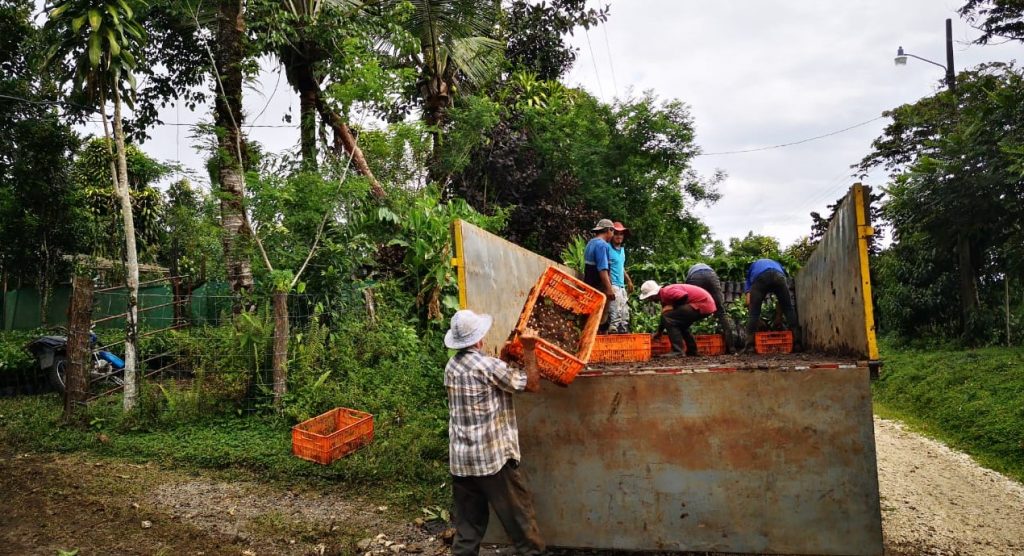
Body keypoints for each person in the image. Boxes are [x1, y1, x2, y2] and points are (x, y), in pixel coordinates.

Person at [443, 310, 545, 556]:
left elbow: (489, 382)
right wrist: (529, 349)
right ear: (479, 339)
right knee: (521, 524)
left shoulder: (451, 367)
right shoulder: (488, 366)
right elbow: (532, 384)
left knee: (468, 530)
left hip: (462, 462)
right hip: (492, 462)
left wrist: (504, 359)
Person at [638, 281, 716, 356]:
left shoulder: (667, 292)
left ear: (653, 295)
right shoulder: (664, 297)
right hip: (705, 304)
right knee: (679, 323)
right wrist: (659, 332)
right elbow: (664, 316)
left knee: (669, 318)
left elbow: (684, 296)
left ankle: (678, 351)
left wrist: (673, 306)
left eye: (649, 298)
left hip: (702, 304)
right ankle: (692, 350)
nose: (649, 300)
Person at [742, 258, 800, 352]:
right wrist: (779, 316)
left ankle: (749, 346)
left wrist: (757, 318)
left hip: (760, 278)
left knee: (753, 313)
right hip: (779, 276)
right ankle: (797, 343)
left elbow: (749, 301)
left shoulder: (752, 268)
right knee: (788, 308)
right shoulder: (777, 264)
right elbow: (781, 300)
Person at [685, 263, 735, 353]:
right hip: (712, 276)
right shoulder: (709, 269)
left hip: (695, 278)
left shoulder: (690, 273)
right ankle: (731, 349)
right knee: (721, 312)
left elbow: (689, 292)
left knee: (690, 310)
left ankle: (691, 348)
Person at [583, 219, 616, 333]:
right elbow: (602, 270)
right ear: (608, 230)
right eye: (613, 231)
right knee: (599, 319)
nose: (613, 234)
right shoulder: (602, 245)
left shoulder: (590, 243)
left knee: (589, 317)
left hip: (589, 285)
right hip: (598, 287)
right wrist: (609, 288)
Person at [607, 222, 635, 333]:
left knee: (624, 314)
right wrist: (608, 285)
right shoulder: (607, 248)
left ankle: (623, 334)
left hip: (621, 285)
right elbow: (605, 267)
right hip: (613, 285)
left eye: (621, 234)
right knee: (615, 315)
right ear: (612, 234)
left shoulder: (622, 251)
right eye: (616, 233)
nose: (619, 236)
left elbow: (621, 267)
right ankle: (613, 334)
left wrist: (629, 281)